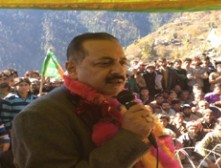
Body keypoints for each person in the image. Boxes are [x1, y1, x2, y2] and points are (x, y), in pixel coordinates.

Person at [11, 32, 162, 167]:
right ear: (72, 69)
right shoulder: (38, 117)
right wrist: (130, 137)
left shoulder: (118, 104)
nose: (119, 70)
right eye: (104, 63)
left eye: (122, 62)